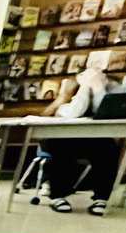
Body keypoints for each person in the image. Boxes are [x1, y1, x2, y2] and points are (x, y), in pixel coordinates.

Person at [39, 69, 120, 215]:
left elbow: (105, 112)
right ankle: (57, 195)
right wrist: (84, 88)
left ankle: (101, 198)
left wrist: (98, 89)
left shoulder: (107, 92)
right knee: (62, 147)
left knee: (107, 147)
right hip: (57, 138)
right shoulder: (68, 95)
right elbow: (73, 112)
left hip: (91, 140)